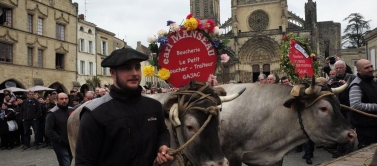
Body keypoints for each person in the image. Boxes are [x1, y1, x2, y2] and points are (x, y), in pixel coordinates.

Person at [75, 48, 173, 165]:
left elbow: (163, 132)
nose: (135, 73)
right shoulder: (95, 114)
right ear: (113, 73)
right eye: (127, 68)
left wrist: (163, 145)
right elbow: (84, 162)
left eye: (137, 67)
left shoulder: (154, 106)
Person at [349, 59, 377, 149]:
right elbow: (355, 105)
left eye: (371, 66)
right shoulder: (356, 85)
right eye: (366, 68)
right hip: (366, 129)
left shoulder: (372, 81)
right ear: (359, 71)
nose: (370, 69)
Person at [45, 93, 73, 166]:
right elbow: (48, 130)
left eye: (66, 98)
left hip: (71, 142)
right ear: (57, 100)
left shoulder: (72, 110)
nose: (64, 101)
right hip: (60, 144)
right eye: (61, 99)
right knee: (65, 163)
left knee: (71, 161)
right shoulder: (52, 113)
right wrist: (59, 139)